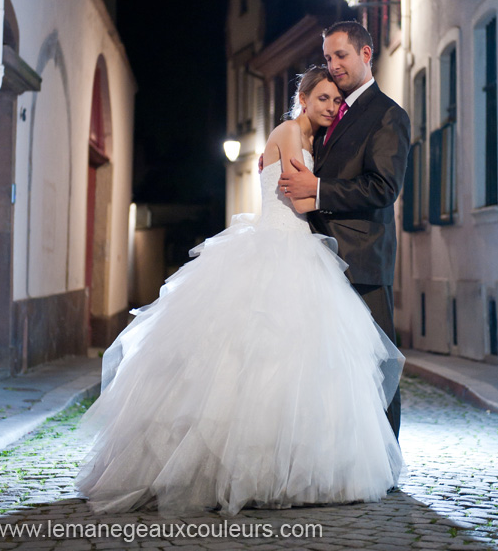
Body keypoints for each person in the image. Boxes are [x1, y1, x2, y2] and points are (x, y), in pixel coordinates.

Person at [75, 66, 404, 517]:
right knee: (255, 361)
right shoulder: (290, 132)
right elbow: (299, 194)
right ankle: (245, 468)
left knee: (304, 367)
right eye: (322, 99)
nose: (330, 107)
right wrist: (329, 191)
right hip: (278, 247)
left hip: (301, 248)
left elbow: (310, 193)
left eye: (334, 101)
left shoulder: (312, 142)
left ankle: (297, 465)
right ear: (302, 99)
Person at [279, 22, 411, 439]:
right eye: (329, 57)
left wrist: (316, 190)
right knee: (329, 367)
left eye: (342, 55)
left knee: (376, 362)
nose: (333, 65)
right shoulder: (329, 113)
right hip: (318, 259)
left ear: (366, 54)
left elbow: (383, 187)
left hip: (362, 260)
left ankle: (385, 461)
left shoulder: (388, 115)